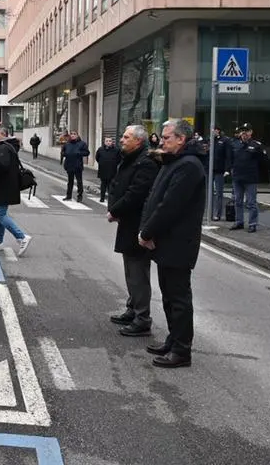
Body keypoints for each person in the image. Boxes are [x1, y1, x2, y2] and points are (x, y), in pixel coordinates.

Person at [138, 119, 206, 368]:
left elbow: (170, 206)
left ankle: (182, 350)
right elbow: (157, 199)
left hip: (179, 242)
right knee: (168, 295)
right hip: (168, 241)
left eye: (167, 138)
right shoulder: (175, 161)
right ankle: (173, 339)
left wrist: (147, 232)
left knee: (178, 298)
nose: (161, 141)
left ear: (181, 139)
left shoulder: (188, 166)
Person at [107, 125, 160, 337]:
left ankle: (142, 318)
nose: (121, 140)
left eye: (126, 137)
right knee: (130, 270)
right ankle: (133, 308)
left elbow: (136, 193)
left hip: (137, 224)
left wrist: (115, 210)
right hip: (128, 222)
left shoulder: (145, 162)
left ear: (138, 141)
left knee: (137, 272)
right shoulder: (132, 158)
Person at [0, 126, 32, 255]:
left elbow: (2, 166)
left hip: (4, 186)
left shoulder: (3, 147)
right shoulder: (6, 146)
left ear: (4, 135)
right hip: (5, 185)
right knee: (0, 214)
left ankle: (21, 237)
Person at [226, 123, 268, 233]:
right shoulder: (234, 144)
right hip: (237, 177)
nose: (244, 133)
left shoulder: (256, 145)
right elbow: (230, 159)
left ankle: (252, 223)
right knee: (237, 201)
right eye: (242, 131)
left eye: (246, 131)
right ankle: (239, 222)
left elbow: (263, 161)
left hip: (250, 178)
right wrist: (230, 170)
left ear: (251, 132)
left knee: (251, 202)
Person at [61, 131, 90, 202]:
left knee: (79, 182)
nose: (73, 135)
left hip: (77, 165)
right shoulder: (67, 144)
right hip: (69, 165)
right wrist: (65, 154)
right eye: (71, 134)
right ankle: (68, 196)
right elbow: (62, 152)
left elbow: (87, 152)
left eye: (74, 134)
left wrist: (79, 153)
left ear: (77, 135)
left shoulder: (82, 144)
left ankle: (79, 196)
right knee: (70, 181)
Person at [210, 127, 231, 221]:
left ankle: (217, 214)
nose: (213, 131)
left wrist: (227, 169)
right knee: (209, 193)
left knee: (218, 193)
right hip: (210, 170)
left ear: (218, 130)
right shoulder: (210, 140)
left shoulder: (225, 140)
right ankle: (209, 213)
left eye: (214, 130)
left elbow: (228, 156)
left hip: (219, 170)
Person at [95, 136, 122, 203]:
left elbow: (119, 159)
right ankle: (102, 198)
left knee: (111, 185)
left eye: (110, 141)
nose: (108, 142)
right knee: (103, 184)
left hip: (112, 170)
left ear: (112, 142)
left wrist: (114, 163)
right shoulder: (100, 149)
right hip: (103, 169)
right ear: (104, 142)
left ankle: (110, 198)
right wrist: (101, 163)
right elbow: (97, 158)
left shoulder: (116, 150)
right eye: (107, 141)